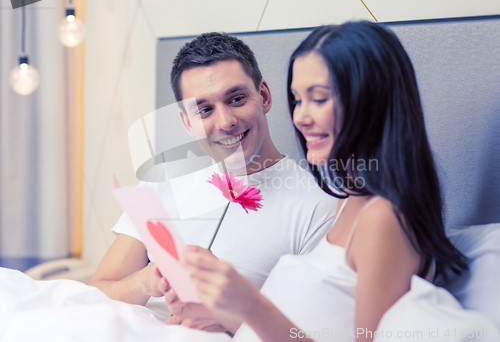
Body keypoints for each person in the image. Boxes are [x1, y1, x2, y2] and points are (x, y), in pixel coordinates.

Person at [179, 21, 468, 341]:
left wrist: (251, 305)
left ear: (368, 101)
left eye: (318, 99)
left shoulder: (382, 219)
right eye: (298, 99)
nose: (300, 117)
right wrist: (231, 315)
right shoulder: (349, 201)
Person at [89, 32, 337, 333]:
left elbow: (314, 335)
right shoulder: (164, 179)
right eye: (204, 110)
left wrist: (229, 319)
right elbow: (98, 292)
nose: (225, 122)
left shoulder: (318, 207)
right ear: (186, 123)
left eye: (236, 99)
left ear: (265, 96)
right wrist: (148, 279)